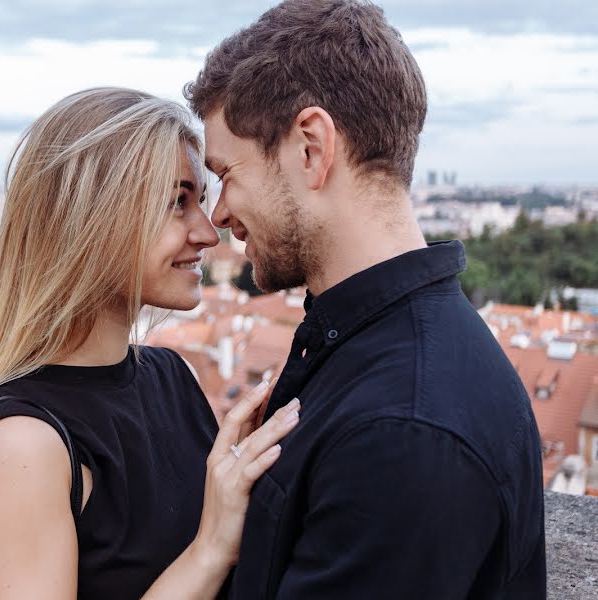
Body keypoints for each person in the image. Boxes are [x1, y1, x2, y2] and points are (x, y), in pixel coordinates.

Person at [184, 1, 546, 598]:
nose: (219, 214)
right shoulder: (384, 356)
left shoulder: (400, 431)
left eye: (227, 174)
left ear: (311, 149)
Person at [0, 87, 301, 599]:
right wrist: (211, 548)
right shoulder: (22, 448)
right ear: (92, 220)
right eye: (178, 203)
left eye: (202, 201)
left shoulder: (172, 377)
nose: (209, 234)